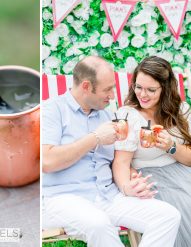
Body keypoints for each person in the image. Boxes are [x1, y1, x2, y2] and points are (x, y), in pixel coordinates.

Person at [42, 56, 181, 247]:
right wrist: (95, 138)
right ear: (86, 86)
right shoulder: (53, 110)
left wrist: (130, 182)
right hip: (65, 198)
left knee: (168, 216)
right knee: (99, 223)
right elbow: (46, 161)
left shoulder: (107, 114)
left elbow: (118, 161)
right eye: (107, 89)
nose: (113, 96)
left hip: (108, 196)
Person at [113, 56, 191, 247]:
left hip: (183, 175)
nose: (143, 94)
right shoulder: (128, 115)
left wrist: (171, 146)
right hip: (149, 178)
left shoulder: (180, 110)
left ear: (165, 89)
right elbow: (121, 162)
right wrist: (126, 187)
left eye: (151, 90)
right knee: (187, 210)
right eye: (138, 87)